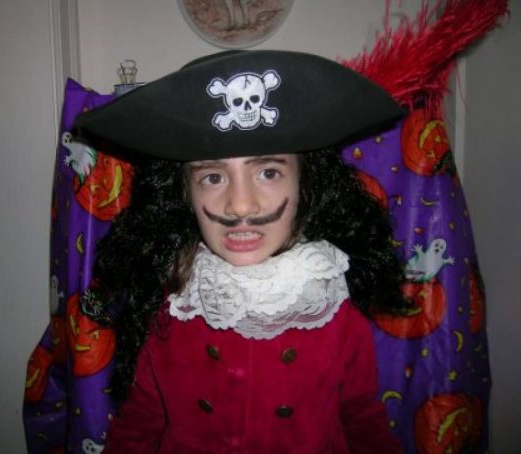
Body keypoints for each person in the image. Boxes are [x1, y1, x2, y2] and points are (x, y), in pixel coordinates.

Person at [76, 50, 407, 453]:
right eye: (213, 177)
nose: (240, 205)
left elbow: (363, 420)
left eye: (268, 172)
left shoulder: (331, 306)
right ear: (184, 194)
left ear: (307, 185)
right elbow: (142, 419)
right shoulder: (175, 305)